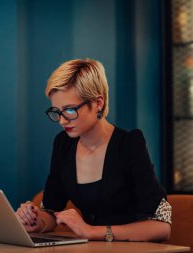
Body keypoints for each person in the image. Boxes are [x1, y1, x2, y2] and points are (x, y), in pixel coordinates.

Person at [16, 59, 171, 242]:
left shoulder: (130, 144)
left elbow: (162, 227)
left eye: (70, 110)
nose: (62, 121)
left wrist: (91, 231)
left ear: (98, 103)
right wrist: (36, 220)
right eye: (56, 111)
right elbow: (51, 210)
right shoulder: (63, 144)